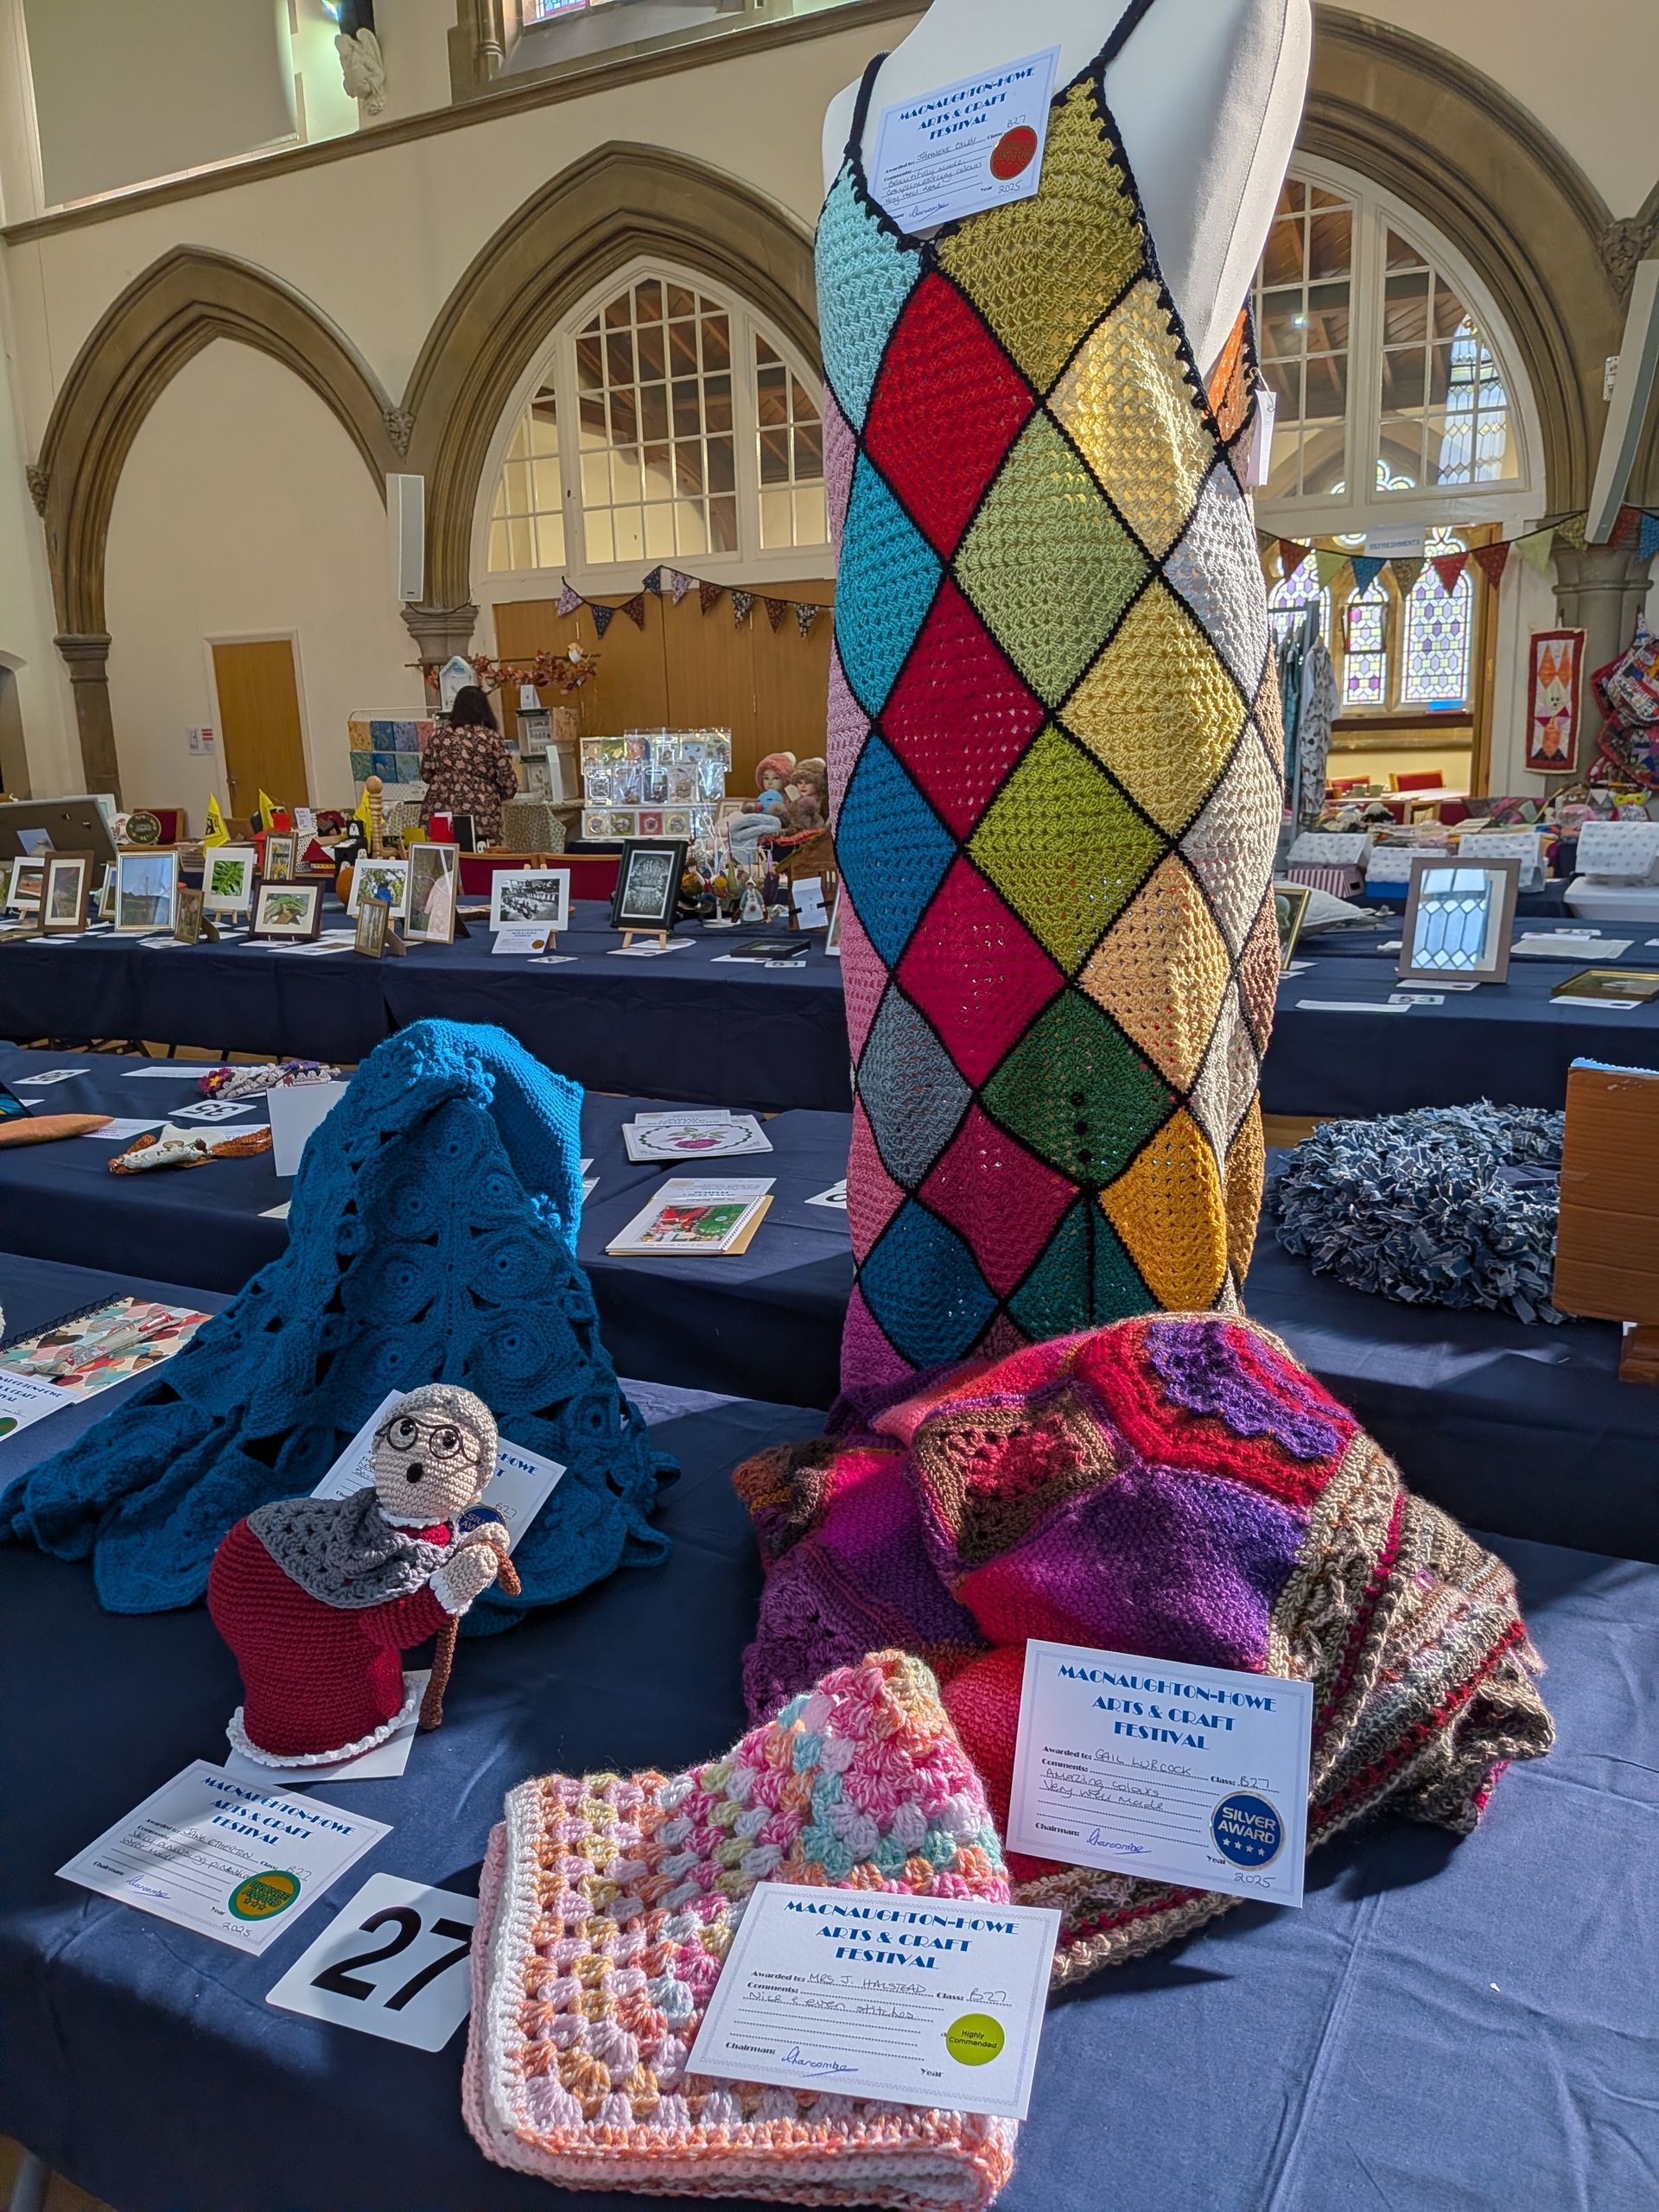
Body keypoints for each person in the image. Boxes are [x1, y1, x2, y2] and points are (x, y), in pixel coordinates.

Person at [421, 685, 518, 844]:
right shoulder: (490, 738)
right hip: (480, 808)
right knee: (481, 856)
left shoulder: (438, 735)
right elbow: (508, 782)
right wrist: (493, 791)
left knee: (443, 857)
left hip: (441, 806)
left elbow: (426, 773)